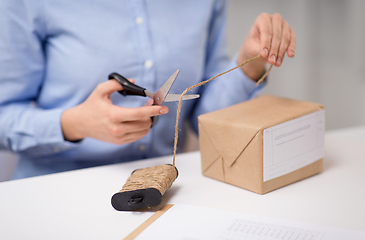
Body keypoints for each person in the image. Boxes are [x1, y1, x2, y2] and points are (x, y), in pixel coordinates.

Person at [0, 0, 295, 179]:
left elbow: (207, 121)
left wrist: (249, 63)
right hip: (54, 192)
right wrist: (76, 124)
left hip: (165, 190)